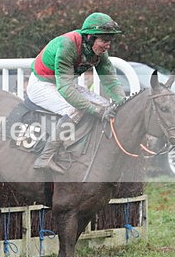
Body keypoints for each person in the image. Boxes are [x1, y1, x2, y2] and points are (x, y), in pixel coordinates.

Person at [27, 12, 126, 172]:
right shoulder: (67, 45)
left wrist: (123, 103)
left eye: (110, 41)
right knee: (76, 109)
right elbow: (66, 88)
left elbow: (111, 81)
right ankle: (45, 157)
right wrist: (95, 111)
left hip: (60, 83)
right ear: (89, 37)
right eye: (104, 41)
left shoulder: (99, 52)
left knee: (105, 104)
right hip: (41, 84)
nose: (108, 45)